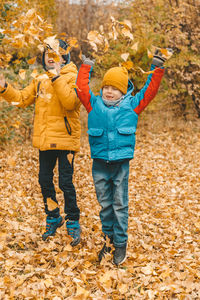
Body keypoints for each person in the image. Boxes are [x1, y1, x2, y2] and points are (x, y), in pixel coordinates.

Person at [76, 50, 167, 264]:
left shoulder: (132, 105)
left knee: (119, 204)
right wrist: (86, 64)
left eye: (115, 88)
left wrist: (157, 67)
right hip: (99, 164)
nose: (109, 92)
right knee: (105, 204)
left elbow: (150, 91)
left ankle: (120, 244)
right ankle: (107, 241)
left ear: (124, 90)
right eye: (106, 87)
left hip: (120, 165)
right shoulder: (94, 104)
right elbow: (81, 88)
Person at [0, 39, 81, 246]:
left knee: (65, 183)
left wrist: (56, 77)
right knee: (44, 180)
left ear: (64, 57)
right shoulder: (39, 79)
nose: (50, 58)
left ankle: (73, 220)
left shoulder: (74, 77)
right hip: (46, 140)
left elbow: (70, 103)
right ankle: (53, 216)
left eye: (55, 54)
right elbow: (21, 98)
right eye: (47, 55)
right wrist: (4, 88)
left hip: (66, 140)